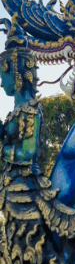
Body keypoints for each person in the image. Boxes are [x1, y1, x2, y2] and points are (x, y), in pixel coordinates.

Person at [0, 18, 42, 174]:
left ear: (14, 73)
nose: (1, 84)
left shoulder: (30, 110)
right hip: (10, 179)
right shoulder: (15, 113)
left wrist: (2, 148)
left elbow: (27, 153)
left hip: (25, 184)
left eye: (2, 78)